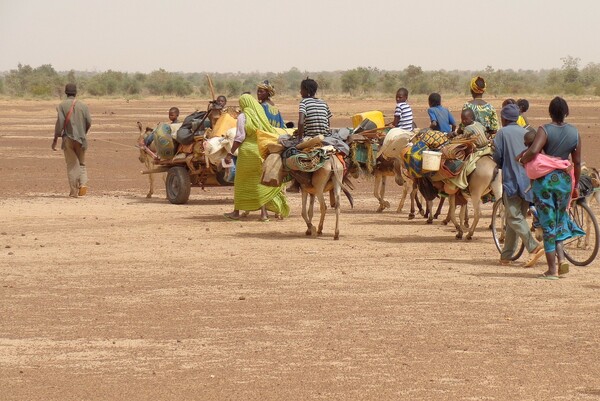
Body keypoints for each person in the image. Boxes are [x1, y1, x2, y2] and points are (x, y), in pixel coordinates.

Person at [518, 96, 585, 279]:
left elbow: (533, 151)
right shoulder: (574, 132)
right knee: (559, 220)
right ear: (566, 112)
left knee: (548, 224)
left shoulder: (544, 130)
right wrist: (575, 185)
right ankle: (562, 260)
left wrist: (522, 160)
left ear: (550, 112)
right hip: (564, 181)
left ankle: (551, 270)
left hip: (545, 182)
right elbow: (577, 163)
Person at [223, 94, 289, 222]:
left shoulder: (243, 116)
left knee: (241, 182)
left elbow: (240, 137)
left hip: (247, 153)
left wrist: (230, 153)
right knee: (259, 182)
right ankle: (263, 214)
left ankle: (236, 212)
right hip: (260, 151)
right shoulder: (260, 114)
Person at [493, 103, 544, 266]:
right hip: (528, 181)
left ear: (504, 119)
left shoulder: (502, 133)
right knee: (515, 218)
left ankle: (533, 246)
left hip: (512, 181)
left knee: (514, 218)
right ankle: (506, 256)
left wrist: (501, 164)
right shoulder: (527, 132)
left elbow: (497, 156)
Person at [52, 83, 92, 198]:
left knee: (71, 165)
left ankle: (74, 191)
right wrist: (83, 133)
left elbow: (60, 123)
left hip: (68, 139)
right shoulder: (83, 106)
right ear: (76, 93)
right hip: (81, 139)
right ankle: (83, 184)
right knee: (82, 163)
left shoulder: (61, 106)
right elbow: (89, 121)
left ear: (66, 93)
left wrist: (55, 138)